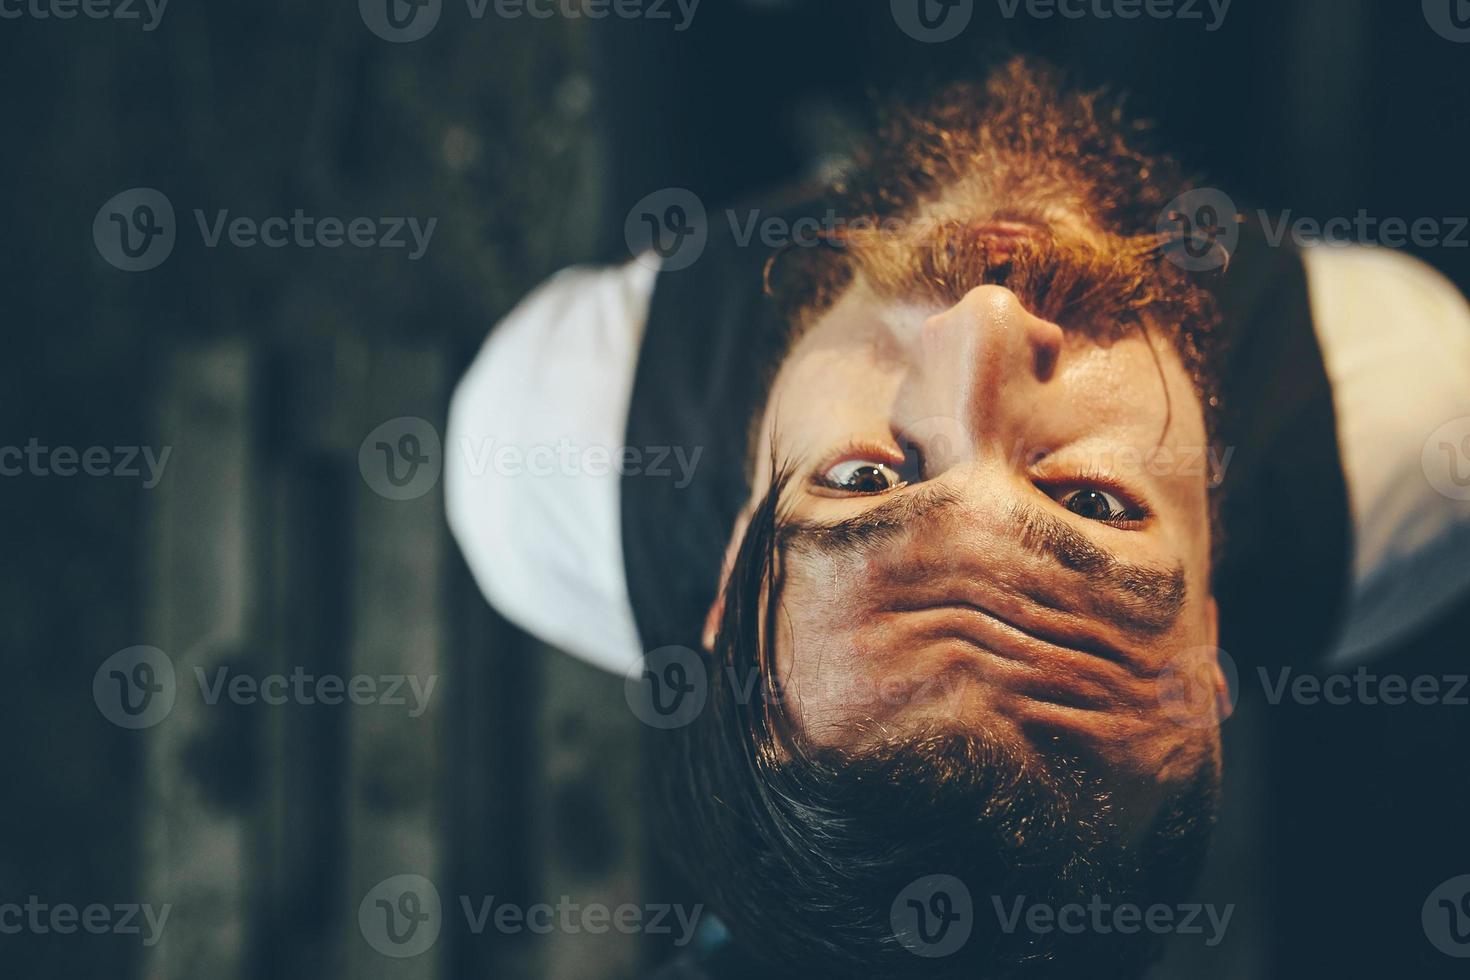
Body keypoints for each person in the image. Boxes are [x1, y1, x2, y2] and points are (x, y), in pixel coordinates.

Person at [446, 58, 1470, 977]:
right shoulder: (1399, 429)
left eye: (862, 480)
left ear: (723, 589)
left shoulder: (552, 444)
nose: (985, 319)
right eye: (1093, 500)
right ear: (1208, 641)